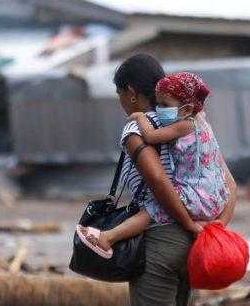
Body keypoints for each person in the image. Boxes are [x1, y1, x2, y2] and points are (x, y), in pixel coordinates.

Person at [105, 54, 237, 306]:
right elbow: (229, 184)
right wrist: (210, 230)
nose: (120, 101)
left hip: (163, 239)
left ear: (130, 92)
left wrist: (184, 224)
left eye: (118, 93)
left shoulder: (136, 127)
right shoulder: (196, 123)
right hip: (195, 243)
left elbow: (159, 182)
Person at [76, 71, 232, 257]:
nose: (158, 109)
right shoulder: (202, 123)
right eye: (157, 104)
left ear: (187, 110)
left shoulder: (185, 125)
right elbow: (231, 183)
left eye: (164, 105)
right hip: (213, 196)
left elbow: (150, 138)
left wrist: (140, 117)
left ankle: (108, 237)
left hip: (196, 196)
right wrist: (220, 222)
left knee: (153, 208)